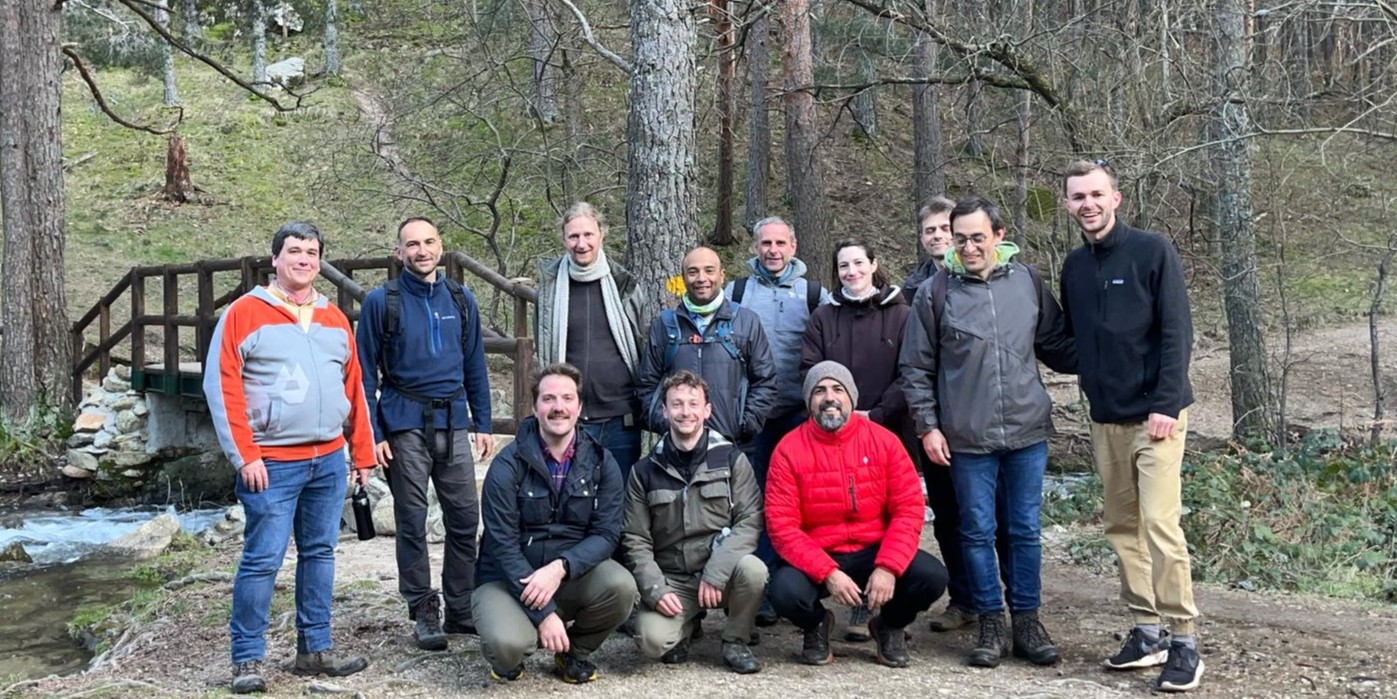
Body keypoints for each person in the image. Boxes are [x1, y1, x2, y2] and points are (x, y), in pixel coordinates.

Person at [899, 196, 1077, 669]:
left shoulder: (1027, 282)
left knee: (1024, 531)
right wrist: (928, 427)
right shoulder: (935, 293)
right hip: (966, 436)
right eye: (960, 240)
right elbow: (915, 367)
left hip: (1026, 430)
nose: (969, 247)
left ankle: (1028, 622)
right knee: (976, 531)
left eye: (978, 238)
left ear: (999, 235)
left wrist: (1112, 353)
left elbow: (1055, 344)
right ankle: (990, 623)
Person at [204, 221, 376, 694]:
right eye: (294, 251)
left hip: (329, 458)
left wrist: (362, 453)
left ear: (320, 261)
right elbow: (222, 387)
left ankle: (314, 649)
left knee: (320, 553)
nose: (303, 259)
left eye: (312, 252)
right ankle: (247, 658)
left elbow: (355, 389)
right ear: (275, 259)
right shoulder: (244, 313)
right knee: (262, 559)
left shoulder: (334, 318)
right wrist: (245, 456)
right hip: (271, 463)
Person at [1059, 160, 1203, 692]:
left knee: (1160, 525)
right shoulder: (1075, 266)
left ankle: (1183, 640)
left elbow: (1177, 331)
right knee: (1122, 528)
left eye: (1097, 194)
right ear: (1068, 205)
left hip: (1156, 416)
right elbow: (1074, 342)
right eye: (1078, 197)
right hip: (1106, 418)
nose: (1088, 204)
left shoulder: (1152, 250)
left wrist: (1165, 402)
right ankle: (1147, 632)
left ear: (1116, 198)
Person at [355, 217, 493, 650]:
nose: (422, 250)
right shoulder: (382, 302)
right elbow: (363, 374)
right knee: (412, 520)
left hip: (453, 420)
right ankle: (423, 608)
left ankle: (461, 607)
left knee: (464, 518)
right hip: (403, 423)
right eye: (412, 244)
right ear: (399, 253)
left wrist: (483, 421)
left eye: (429, 242)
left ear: (441, 246)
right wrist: (373, 433)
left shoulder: (461, 298)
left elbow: (475, 364)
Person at [766, 361, 948, 668]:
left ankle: (889, 625)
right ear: (809, 401)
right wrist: (828, 573)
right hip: (820, 553)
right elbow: (781, 526)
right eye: (819, 391)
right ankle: (816, 624)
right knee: (783, 591)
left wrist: (888, 567)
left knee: (932, 577)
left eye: (838, 389)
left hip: (875, 550)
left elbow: (908, 508)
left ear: (851, 397)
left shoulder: (884, 441)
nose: (829, 398)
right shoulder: (788, 449)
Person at [472, 363, 638, 683]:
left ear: (579, 407)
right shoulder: (507, 464)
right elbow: (502, 545)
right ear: (535, 407)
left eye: (567, 398)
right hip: (509, 580)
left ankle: (573, 653)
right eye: (548, 399)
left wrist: (561, 567)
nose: (558, 407)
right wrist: (544, 614)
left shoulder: (602, 461)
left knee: (621, 587)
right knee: (508, 645)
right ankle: (514, 650)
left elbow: (606, 534)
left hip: (568, 575)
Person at [798, 237, 911, 641]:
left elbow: (912, 370)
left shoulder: (901, 315)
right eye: (844, 266)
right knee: (844, 507)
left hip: (888, 425)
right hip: (833, 427)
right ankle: (838, 591)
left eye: (859, 263)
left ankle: (878, 608)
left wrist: (876, 414)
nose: (852, 272)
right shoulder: (823, 317)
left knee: (887, 513)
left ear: (874, 265)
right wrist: (835, 409)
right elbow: (809, 368)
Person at [722, 216, 832, 627]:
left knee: (801, 503)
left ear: (793, 246)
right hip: (752, 417)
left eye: (780, 243)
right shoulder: (736, 292)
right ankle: (761, 589)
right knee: (753, 503)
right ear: (755, 247)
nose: (773, 250)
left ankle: (799, 584)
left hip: (799, 415)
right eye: (766, 243)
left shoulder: (814, 294)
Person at [621, 370, 766, 674]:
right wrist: (656, 590)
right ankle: (687, 625)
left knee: (754, 570)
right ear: (664, 411)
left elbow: (750, 520)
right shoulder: (644, 471)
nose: (685, 412)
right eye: (676, 404)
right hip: (674, 578)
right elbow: (636, 539)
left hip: (722, 573)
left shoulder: (731, 459)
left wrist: (716, 572)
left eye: (693, 404)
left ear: (707, 410)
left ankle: (735, 639)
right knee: (651, 641)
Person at [535, 203, 647, 477]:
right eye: (573, 236)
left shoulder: (624, 285)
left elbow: (640, 343)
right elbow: (543, 347)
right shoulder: (549, 288)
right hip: (568, 418)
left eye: (588, 235)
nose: (581, 243)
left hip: (621, 419)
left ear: (601, 235)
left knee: (619, 497)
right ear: (564, 239)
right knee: (570, 497)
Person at [636, 246, 777, 454]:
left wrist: (744, 424)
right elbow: (646, 386)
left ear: (722, 275)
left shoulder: (746, 322)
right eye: (693, 272)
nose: (701, 278)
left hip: (734, 446)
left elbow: (765, 381)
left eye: (709, 270)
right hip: (677, 448)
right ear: (684, 278)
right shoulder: (665, 325)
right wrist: (669, 424)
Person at [902, 196, 956, 292]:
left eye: (945, 229)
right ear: (922, 239)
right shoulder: (912, 288)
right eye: (930, 231)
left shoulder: (980, 277)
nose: (937, 235)